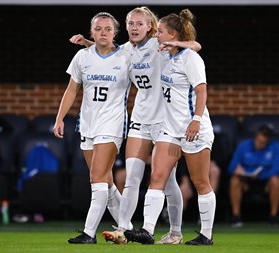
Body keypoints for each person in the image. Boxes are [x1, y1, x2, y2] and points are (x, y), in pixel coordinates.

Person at [70, 6, 202, 245]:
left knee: (167, 181)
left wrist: (178, 44)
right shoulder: (126, 50)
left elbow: (195, 47)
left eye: (140, 23)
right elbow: (107, 51)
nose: (134, 27)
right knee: (131, 177)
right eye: (130, 23)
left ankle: (175, 231)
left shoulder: (158, 44)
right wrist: (88, 42)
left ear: (150, 26)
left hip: (166, 120)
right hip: (140, 119)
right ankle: (123, 229)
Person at [124, 9, 216, 246]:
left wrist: (196, 119)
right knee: (157, 176)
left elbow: (201, 90)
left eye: (161, 31)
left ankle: (206, 234)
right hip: (170, 129)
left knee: (200, 181)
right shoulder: (163, 53)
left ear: (172, 35)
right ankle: (147, 230)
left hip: (193, 128)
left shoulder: (191, 59)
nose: (157, 35)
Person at [53, 12, 132, 244]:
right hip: (87, 124)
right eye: (98, 29)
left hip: (113, 123)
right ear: (91, 32)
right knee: (105, 181)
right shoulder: (82, 56)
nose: (103, 33)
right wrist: (59, 118)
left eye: (108, 29)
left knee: (96, 177)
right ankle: (126, 230)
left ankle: (89, 233)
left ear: (115, 32)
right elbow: (71, 90)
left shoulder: (126, 56)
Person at [228, 124, 279, 227]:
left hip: (265, 180)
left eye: (262, 143)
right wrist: (238, 171)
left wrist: (261, 176)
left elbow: (277, 169)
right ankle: (236, 217)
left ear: (268, 141)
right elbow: (231, 167)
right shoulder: (243, 145)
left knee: (276, 181)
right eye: (257, 140)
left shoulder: (275, 146)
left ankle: (273, 217)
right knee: (234, 180)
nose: (258, 144)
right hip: (246, 180)